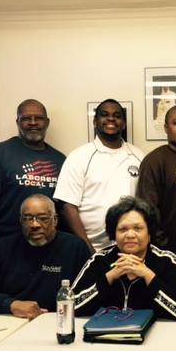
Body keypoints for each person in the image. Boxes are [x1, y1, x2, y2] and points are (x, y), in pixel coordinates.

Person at [0, 194, 90, 319]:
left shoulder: (75, 248)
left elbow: (89, 296)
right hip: (11, 321)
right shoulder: (1, 249)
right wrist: (11, 304)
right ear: (20, 221)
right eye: (28, 219)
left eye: (43, 218)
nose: (34, 225)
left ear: (55, 220)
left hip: (58, 321)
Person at [0, 99, 65, 252]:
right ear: (18, 122)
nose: (33, 123)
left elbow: (64, 210)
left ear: (47, 122)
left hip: (48, 247)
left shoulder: (60, 160)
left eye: (38, 118)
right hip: (8, 247)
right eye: (26, 118)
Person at [72, 196, 176, 319]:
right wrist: (111, 276)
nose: (130, 235)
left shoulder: (167, 260)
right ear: (114, 234)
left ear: (149, 232)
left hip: (156, 334)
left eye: (138, 228)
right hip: (106, 333)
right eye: (123, 229)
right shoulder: (99, 260)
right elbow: (72, 305)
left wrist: (147, 274)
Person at [54, 99, 144, 252]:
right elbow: (67, 206)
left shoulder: (138, 156)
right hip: (92, 247)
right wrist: (88, 249)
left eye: (117, 115)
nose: (111, 118)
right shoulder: (79, 156)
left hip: (130, 245)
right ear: (95, 122)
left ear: (124, 124)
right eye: (104, 115)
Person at [136, 104, 176, 315]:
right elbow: (147, 212)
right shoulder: (154, 161)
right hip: (168, 258)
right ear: (165, 128)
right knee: (173, 315)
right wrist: (165, 252)